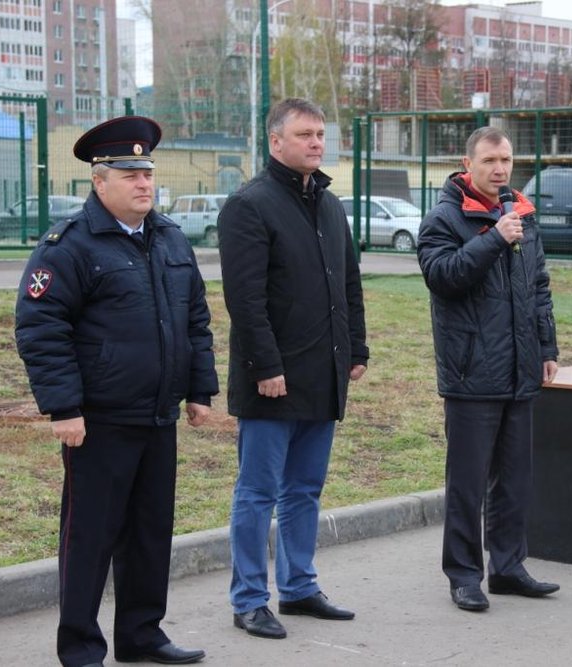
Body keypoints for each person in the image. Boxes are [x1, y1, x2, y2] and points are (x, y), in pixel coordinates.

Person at [14, 116, 218, 666]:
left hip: (158, 416)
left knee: (151, 535)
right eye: (129, 173)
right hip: (99, 422)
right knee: (90, 540)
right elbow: (41, 327)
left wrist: (199, 388)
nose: (143, 183)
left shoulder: (171, 238)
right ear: (99, 181)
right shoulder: (70, 247)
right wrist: (63, 407)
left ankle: (141, 634)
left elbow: (194, 319)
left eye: (147, 171)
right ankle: (81, 647)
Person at [217, 98, 369, 640]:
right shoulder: (249, 205)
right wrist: (265, 365)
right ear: (276, 141)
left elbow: (348, 282)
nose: (316, 143)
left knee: (305, 488)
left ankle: (300, 587)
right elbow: (245, 298)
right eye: (305, 134)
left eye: (321, 134)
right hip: (272, 379)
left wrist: (356, 349)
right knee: (258, 492)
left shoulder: (329, 204)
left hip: (322, 373)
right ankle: (250, 600)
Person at [416, 126, 560, 612]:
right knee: (468, 482)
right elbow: (444, 278)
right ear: (467, 163)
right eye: (490, 161)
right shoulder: (444, 219)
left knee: (516, 477)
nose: (500, 170)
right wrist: (494, 239)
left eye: (506, 161)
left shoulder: (521, 213)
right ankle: (463, 575)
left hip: (520, 368)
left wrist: (546, 347)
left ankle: (508, 567)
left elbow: (538, 287)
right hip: (471, 371)